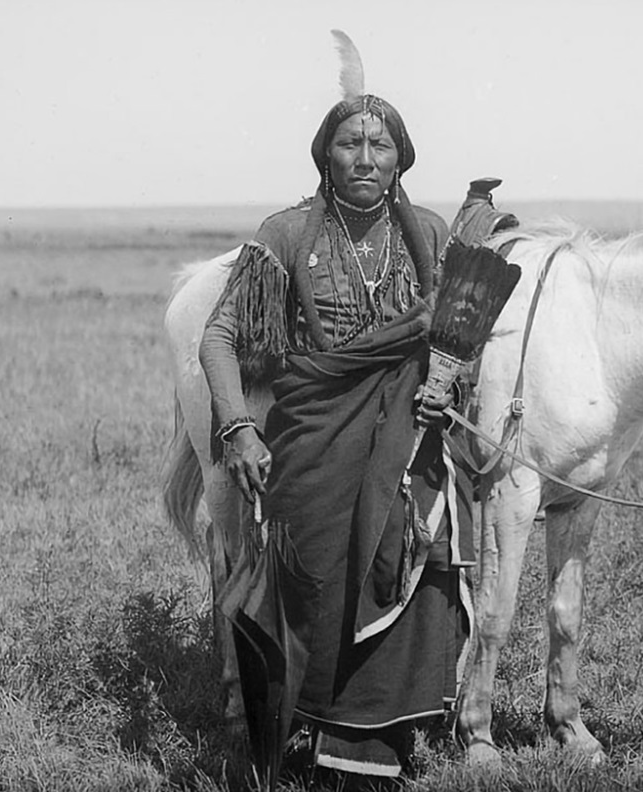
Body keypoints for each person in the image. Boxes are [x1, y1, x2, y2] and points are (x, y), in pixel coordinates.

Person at [199, 72, 474, 780]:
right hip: (315, 436)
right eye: (349, 142)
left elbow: (453, 347)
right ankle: (311, 726)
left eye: (380, 145)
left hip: (406, 439)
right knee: (318, 575)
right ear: (325, 154)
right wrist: (238, 428)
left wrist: (452, 391)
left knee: (414, 560)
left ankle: (380, 735)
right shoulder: (285, 234)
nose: (364, 157)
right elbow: (219, 339)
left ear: (399, 158)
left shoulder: (433, 235)